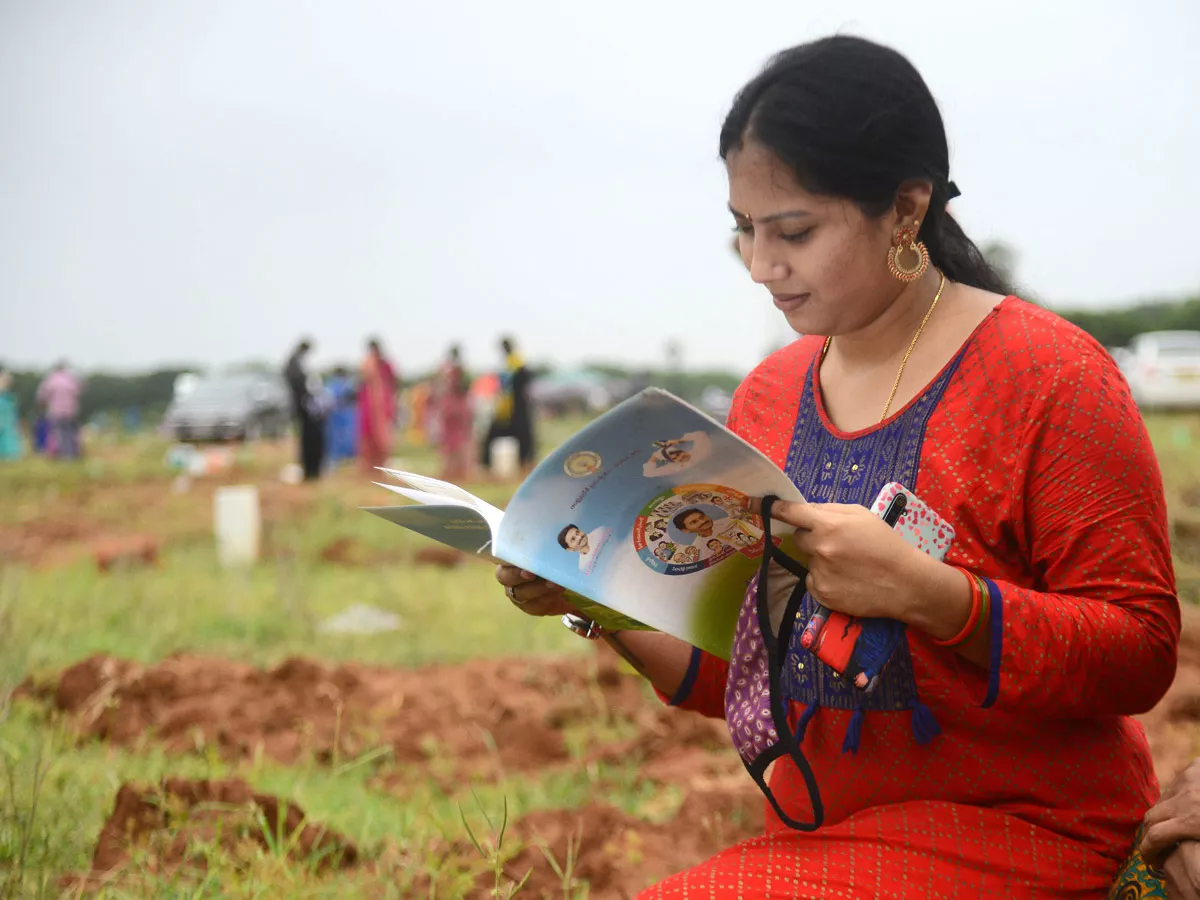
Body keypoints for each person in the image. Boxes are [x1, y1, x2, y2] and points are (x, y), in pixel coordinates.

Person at [495, 36, 1180, 897]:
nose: (760, 267)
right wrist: (593, 598)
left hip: (1023, 827)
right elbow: (737, 676)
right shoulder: (770, 399)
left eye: (794, 232)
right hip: (827, 836)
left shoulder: (1048, 374)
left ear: (905, 208)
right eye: (744, 232)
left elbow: (1142, 654)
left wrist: (932, 596)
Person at [480, 336, 534, 476]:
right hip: (506, 406)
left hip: (517, 406)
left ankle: (525, 463)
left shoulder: (517, 362)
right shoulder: (507, 364)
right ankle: (488, 465)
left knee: (523, 436)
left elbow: (523, 382)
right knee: (494, 435)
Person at [284, 339, 323, 481]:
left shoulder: (295, 361)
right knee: (308, 439)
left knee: (310, 438)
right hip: (303, 407)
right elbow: (299, 385)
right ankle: (309, 470)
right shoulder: (294, 363)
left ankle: (312, 469)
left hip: (305, 406)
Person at [434, 345, 474, 482]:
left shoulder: (445, 369)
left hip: (450, 407)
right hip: (459, 406)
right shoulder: (461, 369)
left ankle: (452, 470)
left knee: (451, 441)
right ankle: (459, 470)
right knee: (460, 440)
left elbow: (440, 388)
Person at [357, 337, 398, 472]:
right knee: (369, 435)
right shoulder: (367, 364)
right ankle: (369, 466)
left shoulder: (385, 365)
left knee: (382, 434)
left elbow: (394, 381)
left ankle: (381, 465)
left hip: (381, 404)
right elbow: (363, 379)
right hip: (369, 404)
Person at [36, 361, 83, 459]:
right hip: (71, 411)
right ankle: (71, 453)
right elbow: (79, 390)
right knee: (71, 433)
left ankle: (61, 454)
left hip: (56, 411)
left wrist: (42, 404)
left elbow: (42, 395)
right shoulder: (70, 378)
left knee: (57, 433)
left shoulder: (51, 379)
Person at [322, 366, 358, 466]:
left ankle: (337, 458)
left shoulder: (331, 386)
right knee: (347, 436)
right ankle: (348, 457)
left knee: (337, 437)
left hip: (337, 416)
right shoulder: (347, 385)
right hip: (344, 415)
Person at [0, 365, 23, 460]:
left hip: (7, 414)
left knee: (8, 433)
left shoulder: (9, 397)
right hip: (5, 413)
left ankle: (8, 453)